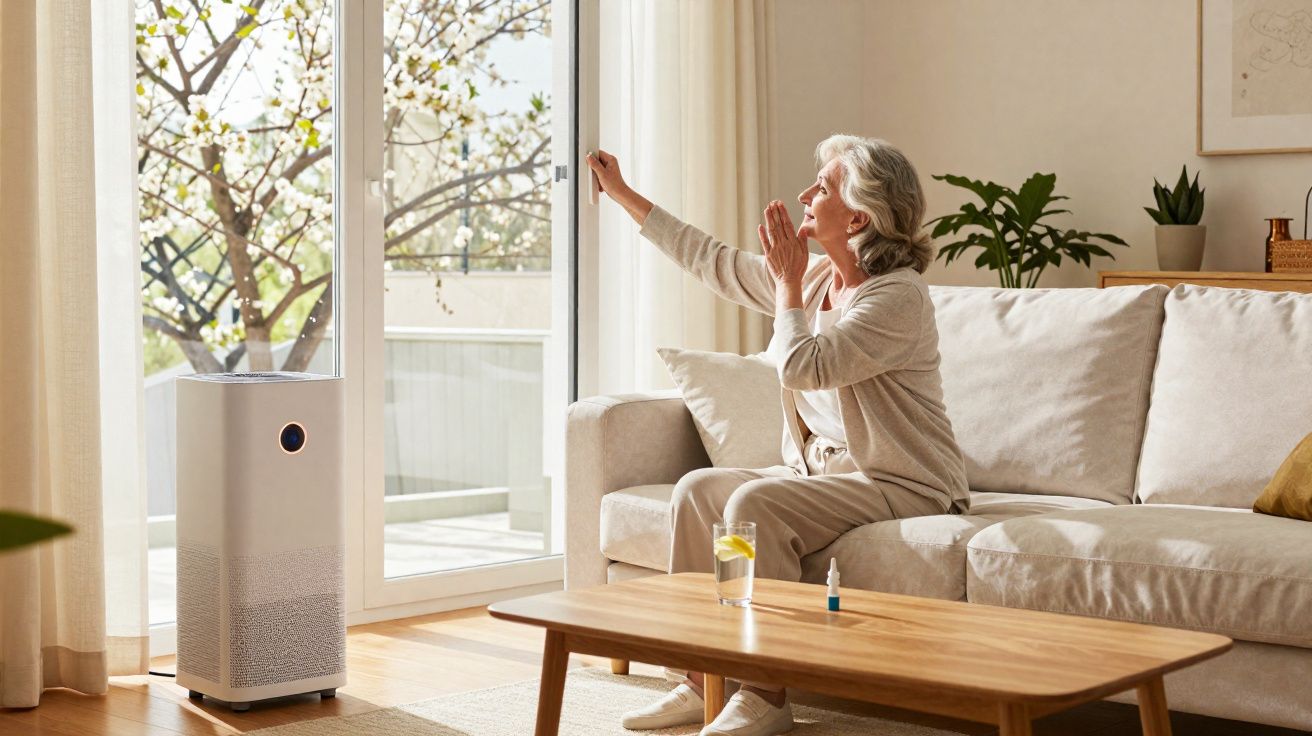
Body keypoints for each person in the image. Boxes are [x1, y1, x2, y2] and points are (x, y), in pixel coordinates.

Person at [585, 134, 969, 736]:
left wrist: (787, 286)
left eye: (823, 187)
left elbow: (804, 366)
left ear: (860, 216)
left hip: (898, 479)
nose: (805, 194)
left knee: (752, 505)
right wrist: (624, 194)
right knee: (697, 491)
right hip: (821, 471)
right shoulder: (818, 281)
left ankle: (765, 693)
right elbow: (712, 260)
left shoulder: (898, 298)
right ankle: (701, 676)